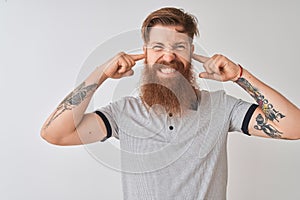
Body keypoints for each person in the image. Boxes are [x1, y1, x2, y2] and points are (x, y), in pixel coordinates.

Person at [41, 7, 300, 200]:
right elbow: (55, 133)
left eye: (179, 46)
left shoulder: (222, 107)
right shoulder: (123, 113)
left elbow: (294, 127)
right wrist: (101, 73)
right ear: (145, 53)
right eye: (158, 47)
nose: (168, 56)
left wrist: (240, 76)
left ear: (191, 52)